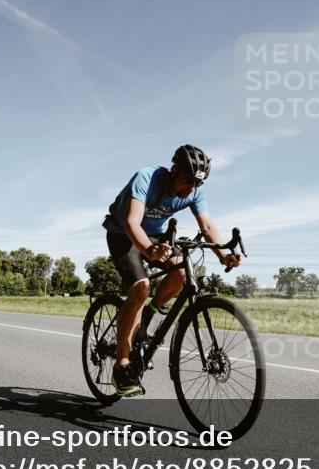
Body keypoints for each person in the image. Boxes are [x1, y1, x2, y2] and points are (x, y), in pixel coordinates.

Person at [102, 144, 241, 396]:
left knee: (182, 274)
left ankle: (147, 317)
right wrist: (149, 250)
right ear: (174, 170)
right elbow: (132, 222)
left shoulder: (195, 191)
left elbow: (207, 226)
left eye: (198, 183)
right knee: (141, 288)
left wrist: (223, 256)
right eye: (188, 180)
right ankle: (121, 366)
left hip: (156, 236)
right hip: (123, 234)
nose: (192, 188)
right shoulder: (147, 177)